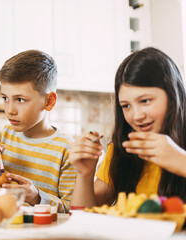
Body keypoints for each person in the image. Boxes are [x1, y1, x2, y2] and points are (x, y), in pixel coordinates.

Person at [69, 47, 186, 208]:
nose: (136, 116)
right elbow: (84, 215)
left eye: (145, 101)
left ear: (173, 95)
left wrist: (181, 161)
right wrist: (85, 174)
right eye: (126, 106)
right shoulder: (122, 149)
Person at [0, 49, 76, 213]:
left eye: (20, 100)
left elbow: (72, 209)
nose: (10, 110)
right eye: (5, 98)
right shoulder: (5, 136)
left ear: (49, 101)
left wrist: (37, 197)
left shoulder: (67, 149)